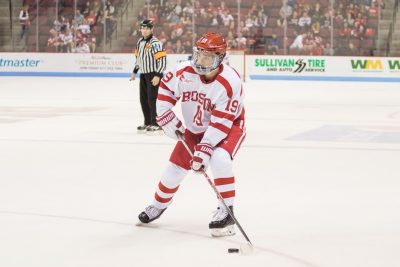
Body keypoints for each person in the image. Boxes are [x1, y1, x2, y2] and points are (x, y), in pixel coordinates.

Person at [138, 33, 246, 237]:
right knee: (173, 170)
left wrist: (204, 150)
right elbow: (166, 90)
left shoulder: (230, 81)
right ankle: (158, 204)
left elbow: (221, 122)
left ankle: (227, 212)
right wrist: (165, 114)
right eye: (199, 55)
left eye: (208, 57)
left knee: (220, 158)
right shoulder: (183, 71)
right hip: (194, 129)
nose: (201, 61)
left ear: (220, 58)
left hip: (228, 127)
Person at [130, 20, 167, 134]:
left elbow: (162, 60)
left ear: (151, 29)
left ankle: (156, 123)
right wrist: (135, 71)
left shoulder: (155, 43)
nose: (144, 30)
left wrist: (158, 75)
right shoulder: (140, 41)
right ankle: (147, 122)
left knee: (153, 99)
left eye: (147, 28)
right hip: (144, 74)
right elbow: (139, 58)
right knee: (144, 99)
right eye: (143, 28)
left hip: (153, 74)